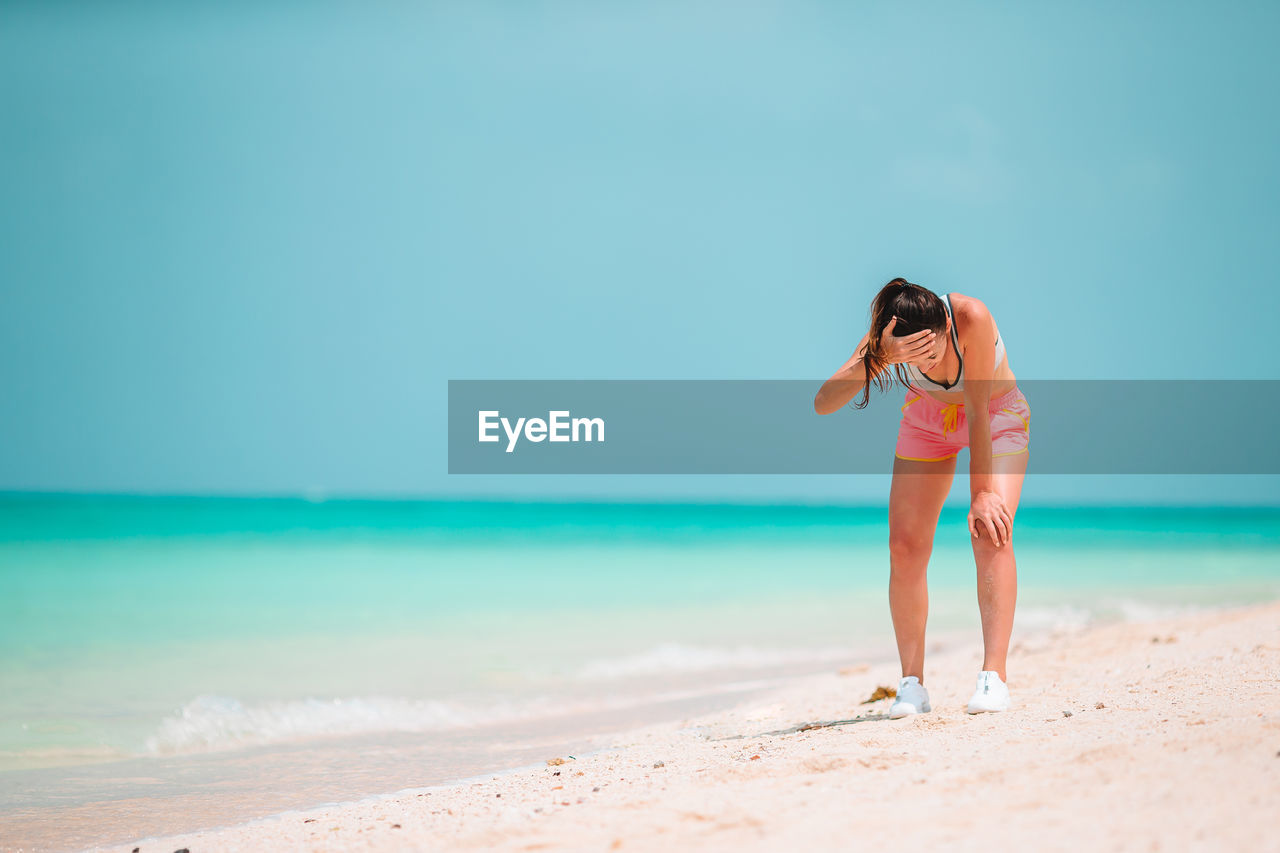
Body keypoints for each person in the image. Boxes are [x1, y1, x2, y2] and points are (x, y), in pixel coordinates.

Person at [813, 278, 1031, 716]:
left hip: (995, 414)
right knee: (905, 546)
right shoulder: (885, 339)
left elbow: (976, 411)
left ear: (946, 328)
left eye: (931, 349)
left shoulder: (972, 318)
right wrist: (881, 356)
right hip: (926, 420)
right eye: (915, 354)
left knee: (989, 529)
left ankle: (994, 677)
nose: (926, 360)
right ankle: (912, 685)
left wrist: (982, 494)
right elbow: (823, 402)